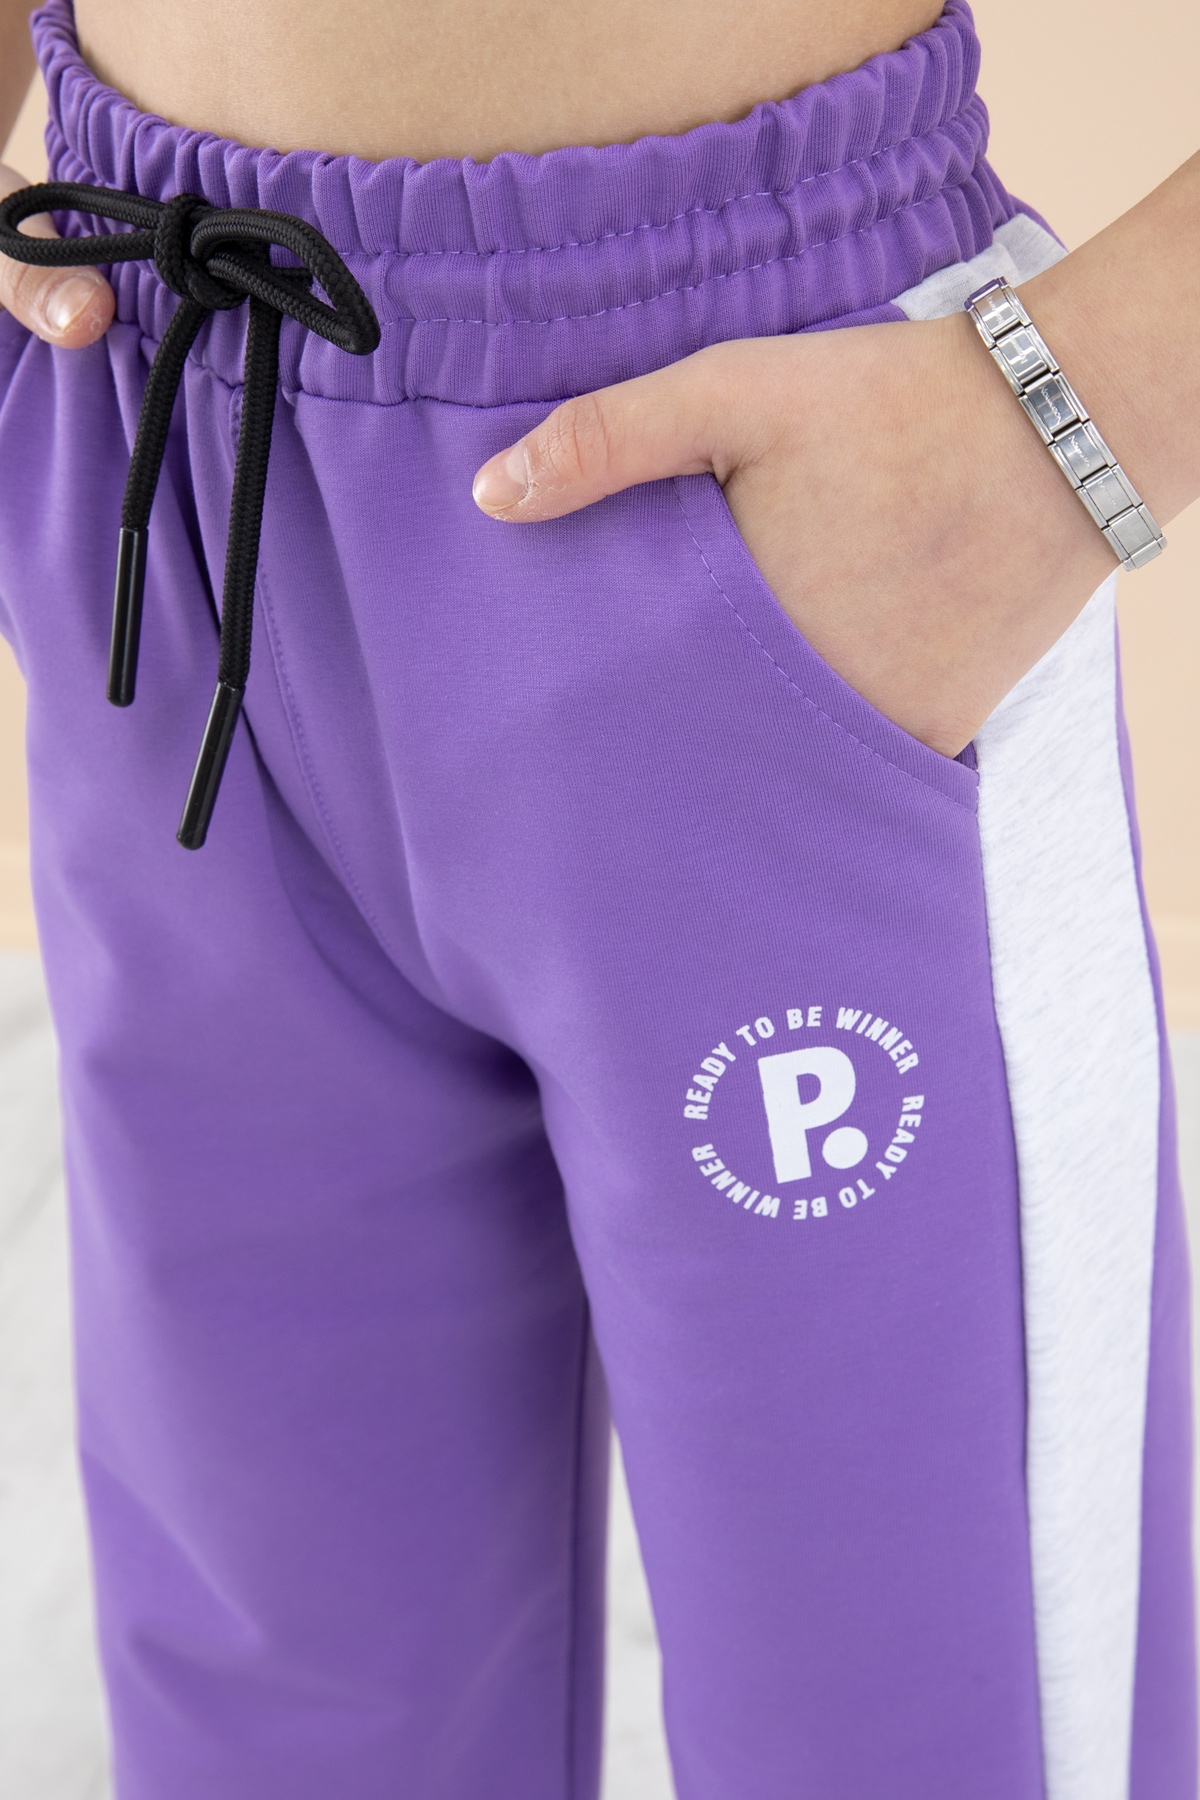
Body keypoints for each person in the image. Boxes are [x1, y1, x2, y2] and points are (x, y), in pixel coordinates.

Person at [0, 0, 1196, 1793]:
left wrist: (1072, 411)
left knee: (918, 1726)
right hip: (161, 436)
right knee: (276, 1720)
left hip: (755, 483)